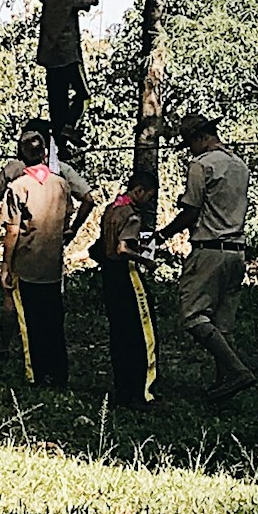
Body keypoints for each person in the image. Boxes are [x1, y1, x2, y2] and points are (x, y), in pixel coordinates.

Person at [157, 109, 254, 397]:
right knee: (223, 323)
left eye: (190, 144)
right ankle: (224, 385)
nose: (189, 150)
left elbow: (191, 211)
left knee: (193, 314)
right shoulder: (240, 165)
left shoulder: (201, 165)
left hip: (209, 249)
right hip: (237, 251)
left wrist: (163, 235)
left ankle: (237, 371)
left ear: (201, 138)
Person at [0, 122, 94, 390]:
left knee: (33, 321)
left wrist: (6, 265)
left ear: (20, 155)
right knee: (54, 320)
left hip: (27, 264)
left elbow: (13, 230)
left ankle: (39, 374)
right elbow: (70, 212)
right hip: (53, 265)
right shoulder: (61, 184)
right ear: (44, 154)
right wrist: (69, 232)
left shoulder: (18, 187)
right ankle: (60, 373)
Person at [95, 164, 159, 408]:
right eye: (149, 196)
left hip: (108, 275)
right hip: (125, 275)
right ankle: (141, 391)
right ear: (139, 191)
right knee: (141, 334)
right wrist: (146, 260)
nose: (149, 201)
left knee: (118, 333)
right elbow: (123, 249)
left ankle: (122, 389)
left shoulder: (112, 209)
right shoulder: (132, 215)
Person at [35, 0, 99, 156]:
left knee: (57, 103)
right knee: (84, 96)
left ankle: (61, 144)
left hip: (50, 59)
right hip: (69, 56)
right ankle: (69, 126)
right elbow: (93, 0)